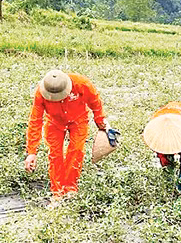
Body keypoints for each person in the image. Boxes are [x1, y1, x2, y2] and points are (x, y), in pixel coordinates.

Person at [24, 70, 117, 199]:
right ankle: (57, 192)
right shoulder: (40, 94)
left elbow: (95, 103)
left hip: (78, 119)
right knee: (55, 154)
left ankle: (70, 188)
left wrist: (101, 122)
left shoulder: (82, 84)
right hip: (54, 122)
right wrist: (32, 152)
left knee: (76, 150)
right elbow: (35, 120)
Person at [143, 101, 181, 210]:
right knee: (166, 159)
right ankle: (169, 182)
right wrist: (165, 161)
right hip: (166, 118)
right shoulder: (156, 130)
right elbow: (157, 148)